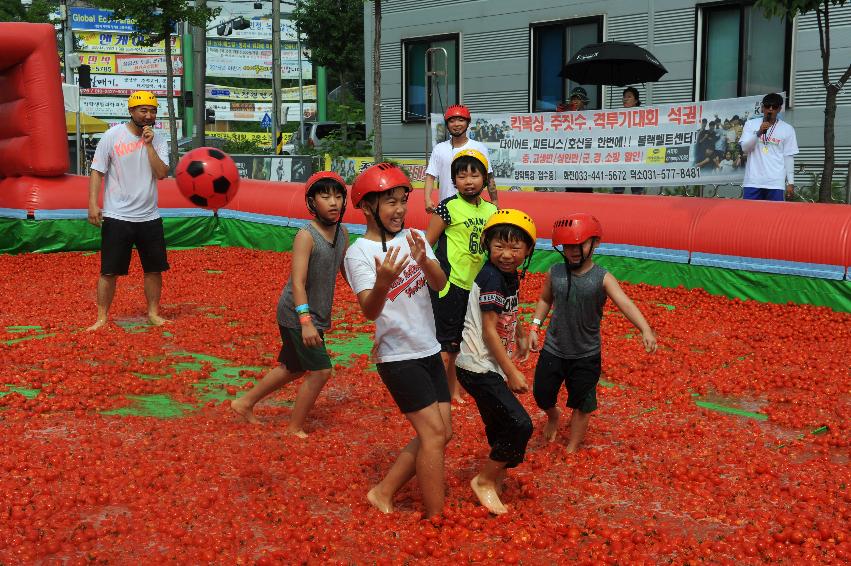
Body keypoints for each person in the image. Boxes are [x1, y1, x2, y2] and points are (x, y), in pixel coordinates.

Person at [344, 163, 452, 518]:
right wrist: (383, 280)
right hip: (397, 356)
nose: (400, 210)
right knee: (434, 434)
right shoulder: (358, 253)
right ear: (366, 206)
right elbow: (369, 311)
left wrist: (425, 260)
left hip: (429, 349)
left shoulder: (414, 237)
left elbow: (438, 285)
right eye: (389, 202)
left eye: (402, 201)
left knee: (442, 432)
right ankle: (436, 519)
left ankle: (384, 491)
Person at [230, 172, 349, 436]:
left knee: (293, 367)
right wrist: (306, 323)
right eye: (325, 196)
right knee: (320, 371)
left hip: (315, 313)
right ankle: (294, 427)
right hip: (297, 314)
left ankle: (244, 402)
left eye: (338, 196)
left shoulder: (343, 234)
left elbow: (344, 271)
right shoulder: (306, 236)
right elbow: (298, 283)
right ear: (311, 202)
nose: (333, 202)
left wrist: (369, 291)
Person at [530, 213, 657, 453]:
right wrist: (535, 325)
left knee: (582, 403)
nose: (574, 250)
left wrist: (645, 328)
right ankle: (553, 414)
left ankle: (572, 446)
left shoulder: (602, 278)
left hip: (586, 354)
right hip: (554, 348)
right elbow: (545, 299)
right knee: (542, 394)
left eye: (580, 244)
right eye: (568, 246)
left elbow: (625, 303)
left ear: (595, 243)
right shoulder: (555, 272)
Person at [455, 209, 536, 515]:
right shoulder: (491, 277)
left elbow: (508, 311)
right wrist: (512, 371)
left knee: (500, 424)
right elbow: (488, 330)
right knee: (520, 424)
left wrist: (520, 333)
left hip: (487, 366)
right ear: (487, 245)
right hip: (477, 366)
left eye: (515, 248)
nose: (506, 254)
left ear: (528, 250)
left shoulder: (509, 275)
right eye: (499, 246)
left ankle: (496, 480)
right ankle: (485, 480)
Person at [86, 91, 170, 331]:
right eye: (143, 110)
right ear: (131, 111)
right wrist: (93, 203)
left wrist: (149, 144)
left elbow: (162, 174)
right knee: (109, 271)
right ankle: (102, 317)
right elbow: (97, 171)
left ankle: (153, 312)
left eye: (152, 110)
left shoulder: (159, 139)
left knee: (154, 269)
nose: (148, 115)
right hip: (117, 216)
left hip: (149, 216)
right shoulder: (112, 136)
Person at [425, 149, 498, 404]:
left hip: (475, 287)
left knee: (459, 346)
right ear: (454, 180)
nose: (468, 181)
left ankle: (453, 391)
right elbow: (426, 245)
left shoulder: (491, 211)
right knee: (445, 347)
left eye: (474, 175)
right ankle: (436, 396)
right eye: (462, 175)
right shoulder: (447, 207)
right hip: (450, 284)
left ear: (484, 179)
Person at [425, 105, 498, 213]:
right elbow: (430, 177)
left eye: (461, 120)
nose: (456, 124)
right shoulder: (439, 149)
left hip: (473, 207)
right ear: (447, 125)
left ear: (468, 123)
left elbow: (489, 177)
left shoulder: (479, 148)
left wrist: (495, 200)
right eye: (452, 121)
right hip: (446, 207)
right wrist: (427, 199)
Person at [739, 93, 798, 201]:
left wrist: (790, 182)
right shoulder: (750, 124)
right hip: (753, 181)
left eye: (774, 107)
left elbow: (788, 156)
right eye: (767, 106)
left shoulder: (787, 129)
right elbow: (745, 148)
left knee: (774, 217)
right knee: (749, 215)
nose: (770, 109)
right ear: (762, 108)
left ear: (779, 109)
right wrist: (759, 132)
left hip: (775, 182)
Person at [613, 87, 645, 195]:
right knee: (617, 191)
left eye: (629, 97)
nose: (625, 99)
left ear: (636, 101)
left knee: (637, 191)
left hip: (637, 156)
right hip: (620, 156)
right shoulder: (617, 116)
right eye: (624, 97)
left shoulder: (643, 115)